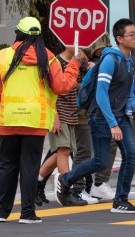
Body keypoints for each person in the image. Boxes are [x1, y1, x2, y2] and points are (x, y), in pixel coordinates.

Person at [0, 17, 82, 223]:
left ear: (18, 34)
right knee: (29, 167)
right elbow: (62, 86)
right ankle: (27, 213)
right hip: (35, 123)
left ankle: (0, 213)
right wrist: (74, 64)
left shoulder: (3, 57)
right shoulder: (48, 59)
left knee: (6, 167)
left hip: (9, 122)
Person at [55, 19, 135, 214]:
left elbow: (126, 93)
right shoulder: (110, 60)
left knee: (131, 156)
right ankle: (65, 179)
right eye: (131, 35)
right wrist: (112, 123)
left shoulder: (129, 61)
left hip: (120, 116)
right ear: (120, 39)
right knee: (101, 161)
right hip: (102, 117)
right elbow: (101, 93)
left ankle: (121, 200)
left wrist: (133, 109)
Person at [36, 48, 94, 207]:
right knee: (64, 151)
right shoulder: (55, 62)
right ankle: (65, 189)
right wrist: (54, 116)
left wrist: (89, 66)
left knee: (61, 151)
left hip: (71, 112)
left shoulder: (79, 62)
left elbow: (79, 85)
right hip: (58, 112)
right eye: (76, 43)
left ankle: (37, 182)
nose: (79, 48)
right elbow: (49, 90)